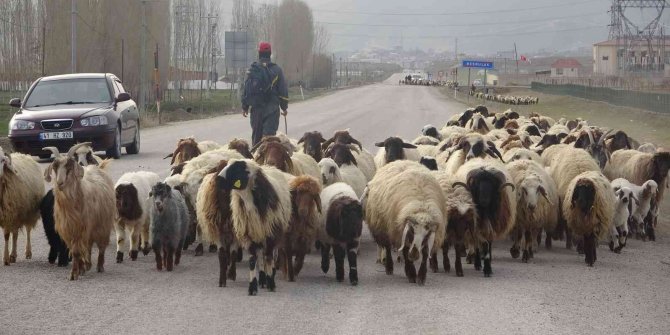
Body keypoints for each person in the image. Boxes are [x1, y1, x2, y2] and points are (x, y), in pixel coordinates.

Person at [241, 42, 289, 146]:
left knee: (256, 141)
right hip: (272, 110)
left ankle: (255, 161)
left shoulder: (253, 70)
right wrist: (284, 107)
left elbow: (246, 89)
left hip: (256, 111)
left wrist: (245, 107)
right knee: (269, 141)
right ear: (270, 54)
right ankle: (267, 161)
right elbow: (283, 91)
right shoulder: (277, 70)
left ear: (259, 53)